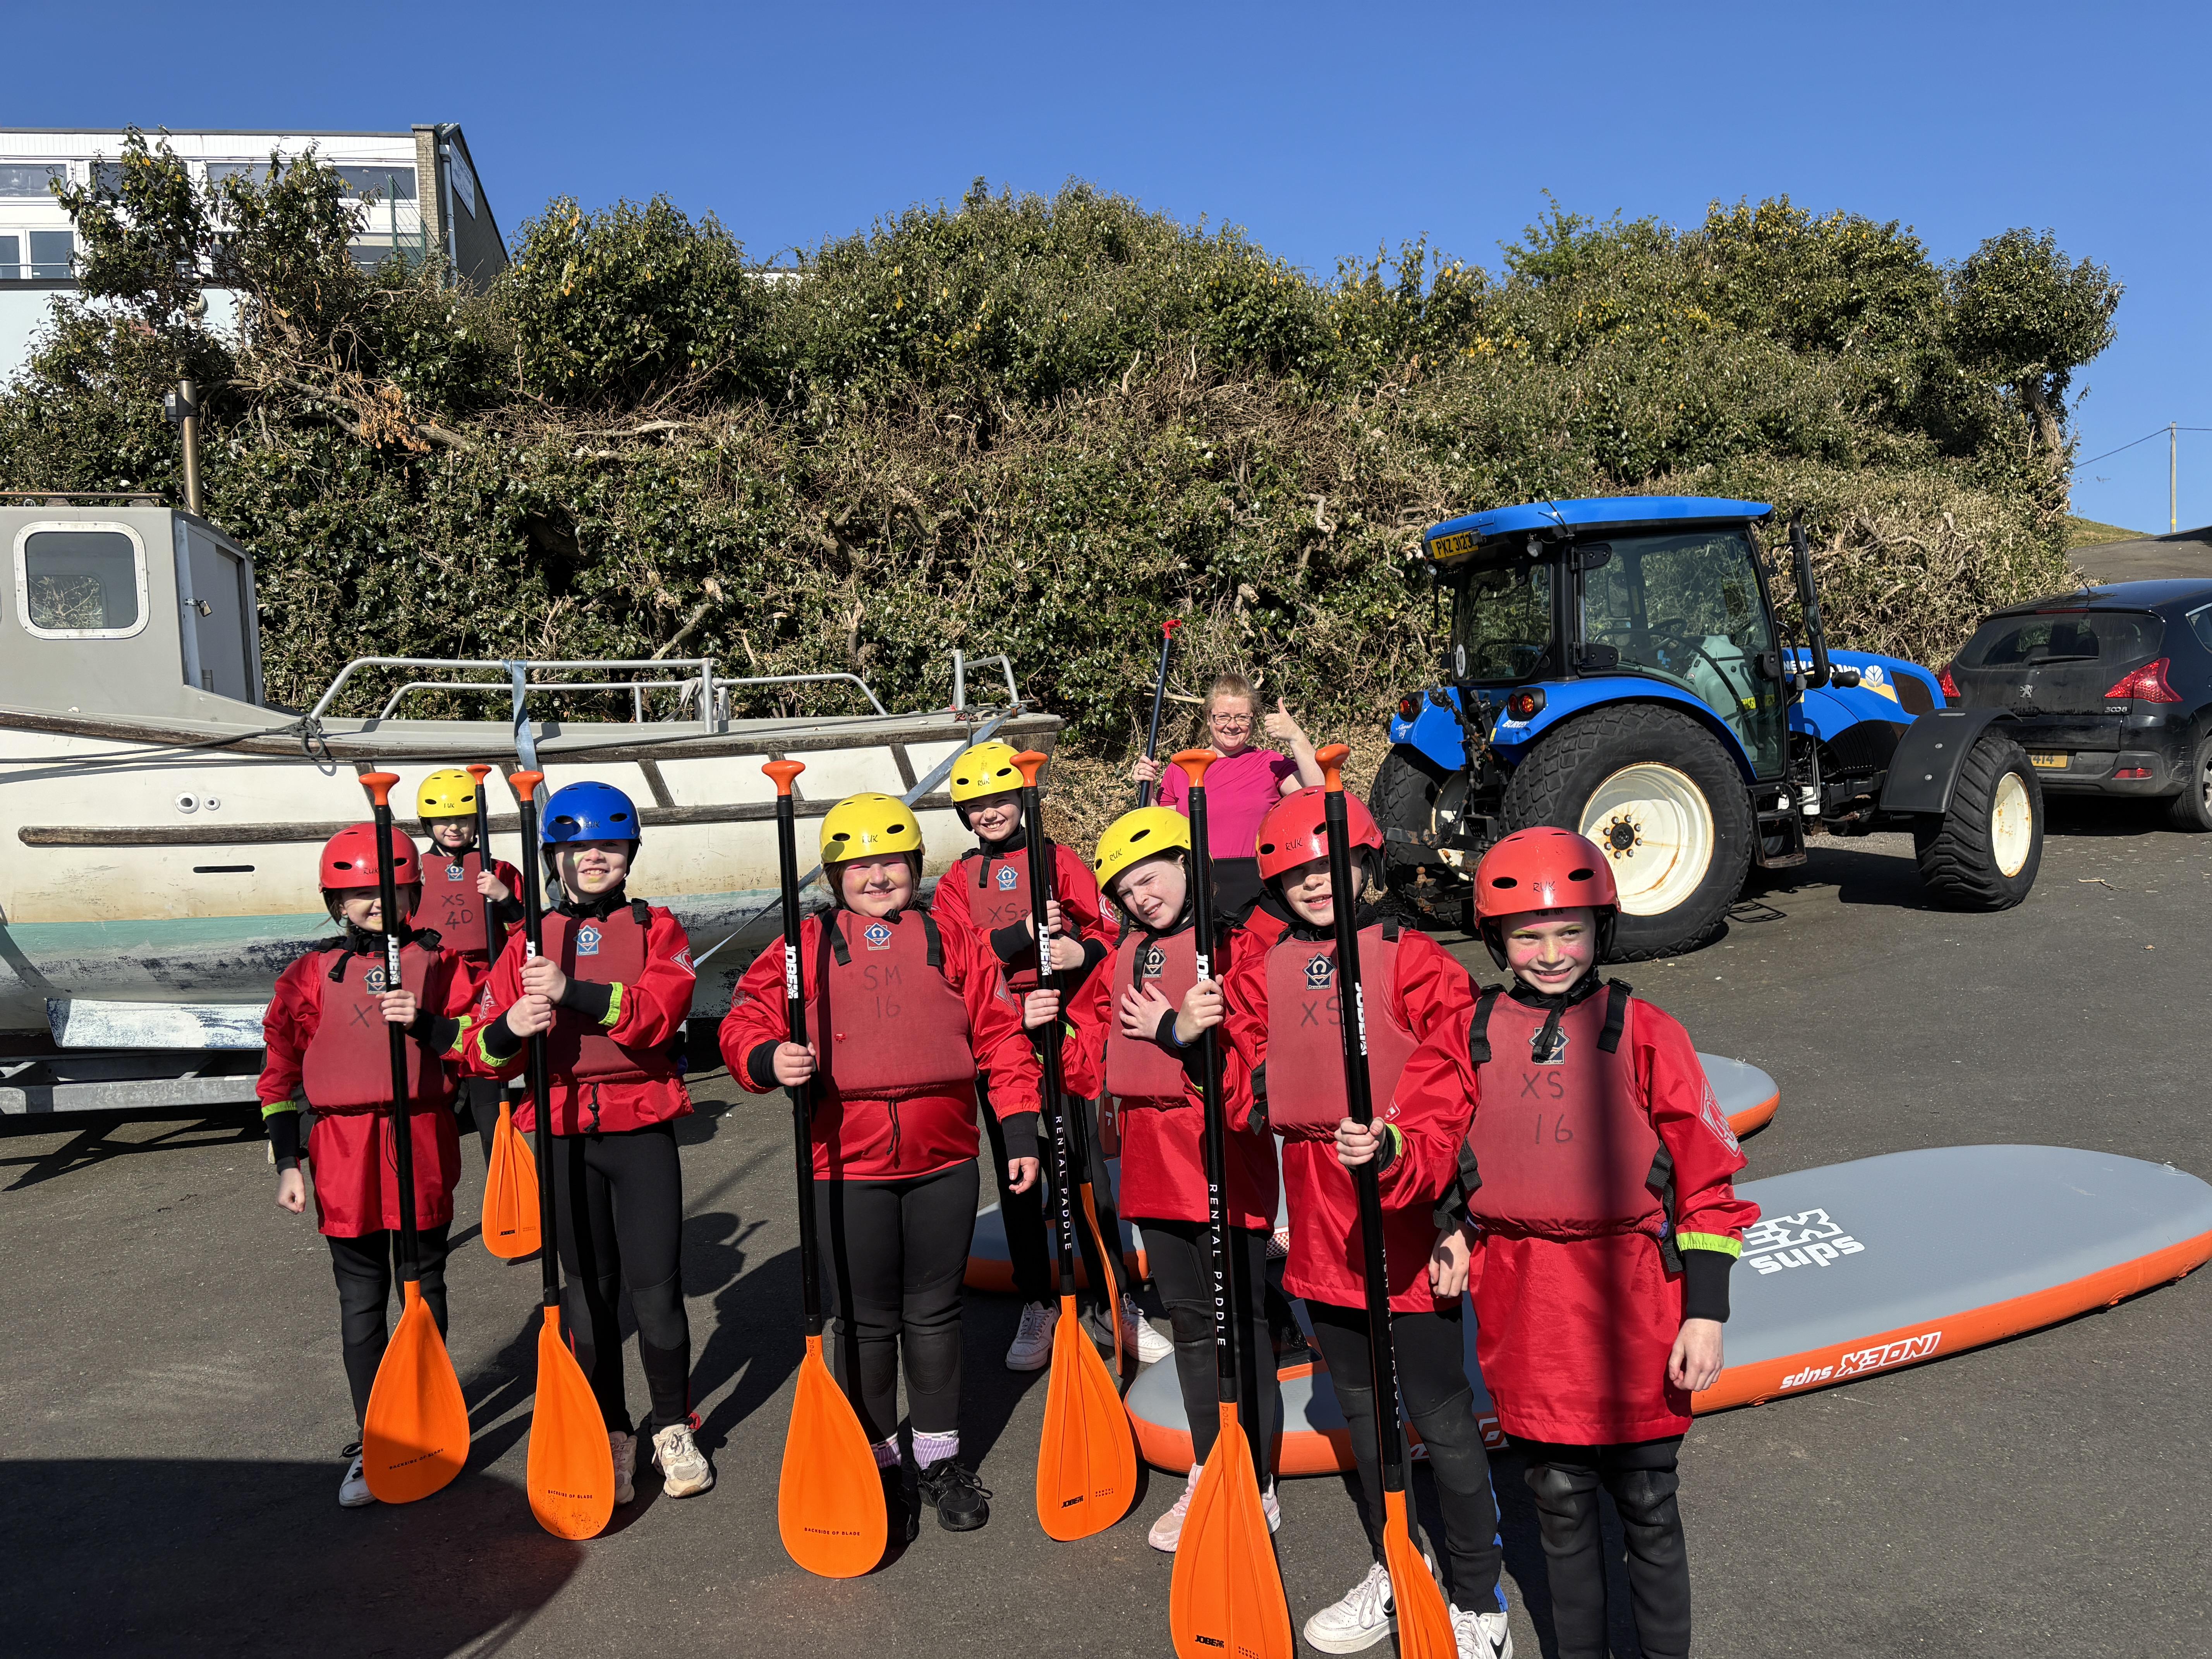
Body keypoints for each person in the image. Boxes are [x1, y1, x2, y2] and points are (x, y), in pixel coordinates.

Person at [1404, 828, 1759, 1659]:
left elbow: (1708, 1184)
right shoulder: (1469, 1031)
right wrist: (1436, 1210)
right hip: (1528, 1306)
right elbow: (1429, 1141)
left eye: (1569, 930)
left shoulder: (1646, 1031)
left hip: (1634, 1301)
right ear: (1495, 938)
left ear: (1602, 927)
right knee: (1559, 1502)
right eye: (1527, 935)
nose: (1550, 952)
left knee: (1647, 1501)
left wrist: (1705, 1314)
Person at [1188, 785, 1512, 1659]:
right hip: (1320, 1227)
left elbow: (1463, 1089)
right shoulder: (1261, 968)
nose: (1316, 884)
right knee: (1366, 1415)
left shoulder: (1413, 959)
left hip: (1406, 1216)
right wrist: (1194, 1040)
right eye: (1296, 876)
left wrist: (1452, 1215)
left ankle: (1478, 1596)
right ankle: (1396, 1561)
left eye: (1329, 867)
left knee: (1441, 1416)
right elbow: (1244, 1093)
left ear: (1365, 863)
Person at [720, 792, 1045, 1540]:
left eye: (892, 861)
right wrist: (769, 1057)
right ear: (835, 875)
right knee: (865, 1321)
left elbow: (1001, 1035)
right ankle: (875, 1459)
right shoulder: (804, 944)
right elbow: (744, 1017)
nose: (877, 876)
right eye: (860, 865)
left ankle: (938, 1457)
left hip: (944, 1158)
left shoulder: (951, 935)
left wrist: (1020, 1129)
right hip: (846, 1164)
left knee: (934, 1312)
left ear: (914, 866)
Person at [1029, 805, 1283, 1550]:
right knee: (1192, 1322)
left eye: (1152, 876)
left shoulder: (1238, 945)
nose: (1143, 896)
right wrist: (1048, 1025)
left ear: (1185, 864)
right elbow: (1089, 1054)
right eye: (1127, 890)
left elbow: (1259, 1058)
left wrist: (1182, 1032)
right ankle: (1210, 1462)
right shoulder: (1125, 955)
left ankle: (1255, 1477)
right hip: (1150, 1155)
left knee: (1240, 1320)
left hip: (1218, 1148)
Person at [474, 781, 713, 1506]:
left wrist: (570, 990)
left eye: (610, 846)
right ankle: (610, 1426)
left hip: (640, 1129)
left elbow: (658, 1015)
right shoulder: (525, 942)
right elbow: (480, 1053)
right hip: (561, 1133)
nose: (595, 858)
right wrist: (511, 1026)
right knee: (588, 1293)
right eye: (579, 848)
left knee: (657, 1290)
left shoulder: (656, 927)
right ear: (555, 857)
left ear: (630, 853)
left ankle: (672, 1426)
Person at [259, 823, 484, 1507]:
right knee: (361, 1297)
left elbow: (479, 1042)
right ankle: (374, 1436)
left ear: (412, 892)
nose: (377, 903)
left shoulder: (441, 963)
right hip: (342, 1149)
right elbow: (280, 1071)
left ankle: (428, 1417)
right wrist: (288, 1160)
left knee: (425, 1284)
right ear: (337, 902)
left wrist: (429, 1024)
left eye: (390, 891)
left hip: (421, 1136)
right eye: (360, 894)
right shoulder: (308, 974)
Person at [928, 740, 1163, 1370]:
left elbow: (1112, 932)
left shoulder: (1057, 861)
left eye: (1002, 799)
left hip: (1066, 1034)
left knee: (1088, 1175)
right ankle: (1038, 1300)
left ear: (1022, 798)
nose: (990, 812)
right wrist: (1019, 936)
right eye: (976, 805)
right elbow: (954, 959)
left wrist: (1079, 953)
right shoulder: (955, 883)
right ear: (963, 814)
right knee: (1020, 1177)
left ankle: (1114, 1299)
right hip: (1001, 1039)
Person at [1130, 673, 1324, 918]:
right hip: (1200, 885)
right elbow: (1160, 830)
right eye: (1222, 717)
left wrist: (1296, 737)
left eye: (1242, 717)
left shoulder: (1271, 763)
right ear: (1209, 717)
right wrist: (1146, 788)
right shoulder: (1182, 766)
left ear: (1253, 719)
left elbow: (1319, 794)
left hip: (1260, 885)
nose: (1232, 726)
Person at [413, 767, 525, 1158]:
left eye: (463, 819)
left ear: (477, 821)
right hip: (433, 991)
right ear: (427, 825)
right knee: (428, 1094)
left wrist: (506, 899)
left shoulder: (500, 870)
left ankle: (501, 1169)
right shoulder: (411, 874)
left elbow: (529, 936)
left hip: (485, 995)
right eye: (443, 820)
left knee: (487, 1092)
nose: (453, 828)